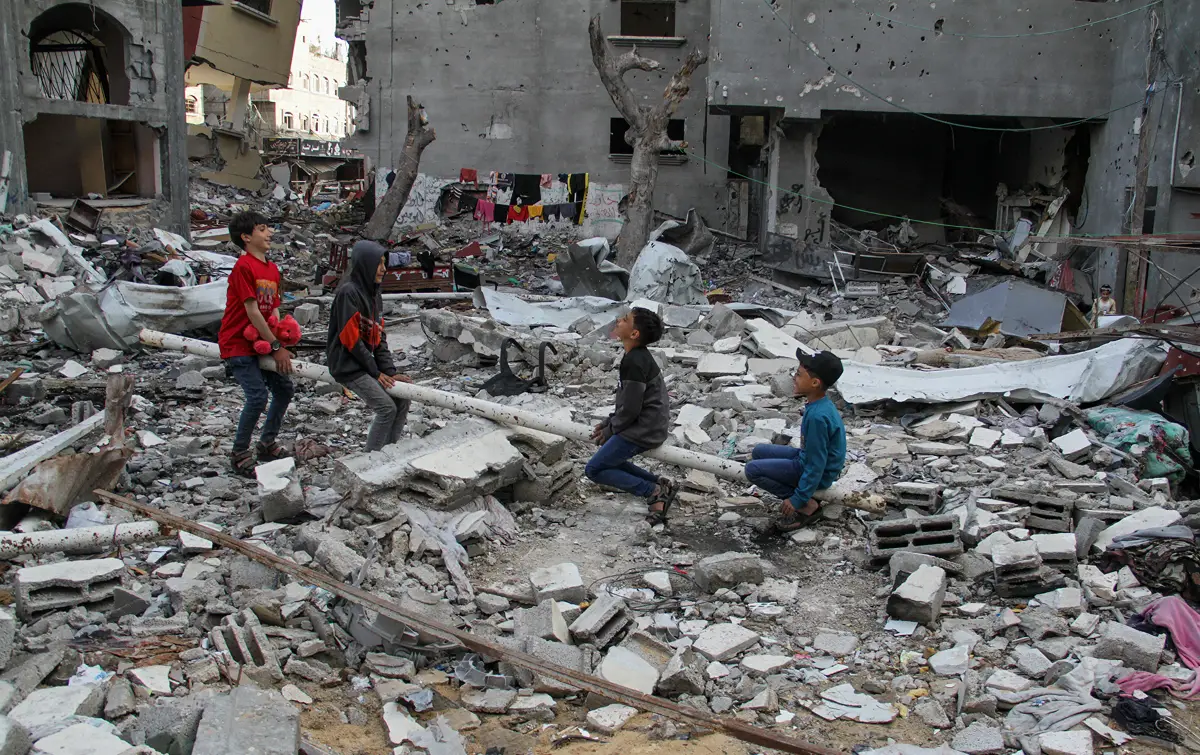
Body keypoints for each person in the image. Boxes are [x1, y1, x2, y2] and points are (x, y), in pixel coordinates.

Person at [218, 211, 295, 476]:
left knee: (284, 389)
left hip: (262, 341)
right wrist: (275, 346)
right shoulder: (243, 267)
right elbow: (251, 310)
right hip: (238, 343)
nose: (269, 233)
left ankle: (266, 443)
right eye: (263, 229)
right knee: (257, 396)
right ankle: (239, 453)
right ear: (247, 237)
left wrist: (279, 335)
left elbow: (272, 308)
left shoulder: (272, 269)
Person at [586, 307, 676, 524]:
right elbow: (628, 402)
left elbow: (631, 408)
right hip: (646, 424)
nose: (619, 320)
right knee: (609, 459)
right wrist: (610, 422)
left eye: (625, 320)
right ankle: (661, 484)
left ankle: (652, 491)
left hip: (644, 429)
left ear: (634, 334)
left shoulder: (634, 361)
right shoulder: (636, 357)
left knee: (595, 469)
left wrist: (612, 428)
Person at [746, 349, 847, 533]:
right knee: (759, 452)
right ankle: (804, 494)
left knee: (752, 470)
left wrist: (798, 498)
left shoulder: (817, 416)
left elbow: (816, 464)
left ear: (815, 383)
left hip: (819, 471)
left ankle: (808, 505)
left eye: (799, 375)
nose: (794, 377)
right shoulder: (819, 404)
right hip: (807, 458)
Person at [327, 240, 412, 452]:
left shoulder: (375, 295)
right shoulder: (348, 293)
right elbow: (351, 340)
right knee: (386, 408)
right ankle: (371, 459)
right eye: (379, 263)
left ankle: (390, 452)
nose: (384, 269)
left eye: (385, 263)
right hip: (348, 366)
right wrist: (375, 373)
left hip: (365, 365)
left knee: (402, 401)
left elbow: (379, 338)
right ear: (366, 264)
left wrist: (390, 372)